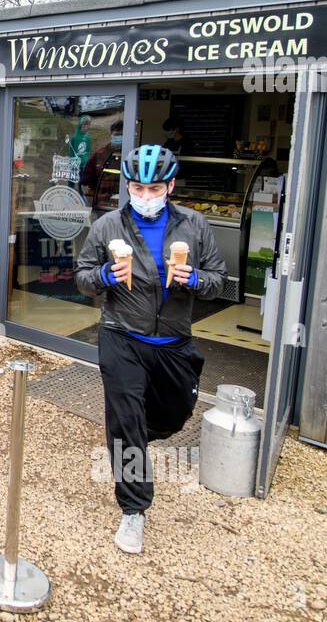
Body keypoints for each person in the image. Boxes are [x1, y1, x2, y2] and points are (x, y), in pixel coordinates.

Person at [75, 145, 227, 555]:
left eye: (154, 187)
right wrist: (106, 273)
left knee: (174, 416)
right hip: (122, 336)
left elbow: (219, 281)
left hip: (174, 341)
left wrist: (194, 278)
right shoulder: (108, 225)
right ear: (128, 186)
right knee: (127, 424)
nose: (145, 195)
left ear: (170, 186)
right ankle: (133, 510)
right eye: (138, 187)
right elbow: (83, 278)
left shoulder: (194, 225)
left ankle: (136, 436)